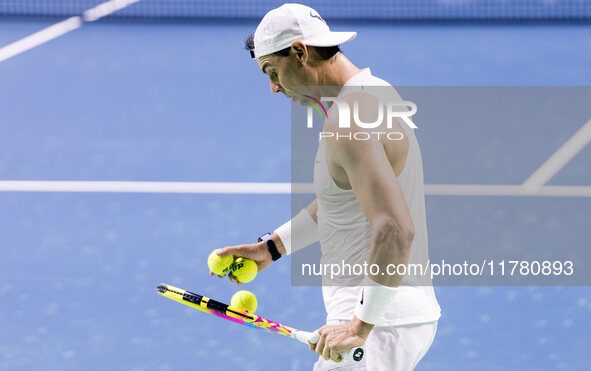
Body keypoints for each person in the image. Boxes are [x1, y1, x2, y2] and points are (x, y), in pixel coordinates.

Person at [210, 4, 441, 370]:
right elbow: (345, 199)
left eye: (272, 71)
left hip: (374, 324)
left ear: (300, 53)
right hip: (394, 315)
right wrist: (272, 247)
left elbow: (396, 228)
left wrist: (359, 326)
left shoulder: (347, 122)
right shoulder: (375, 93)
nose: (273, 87)